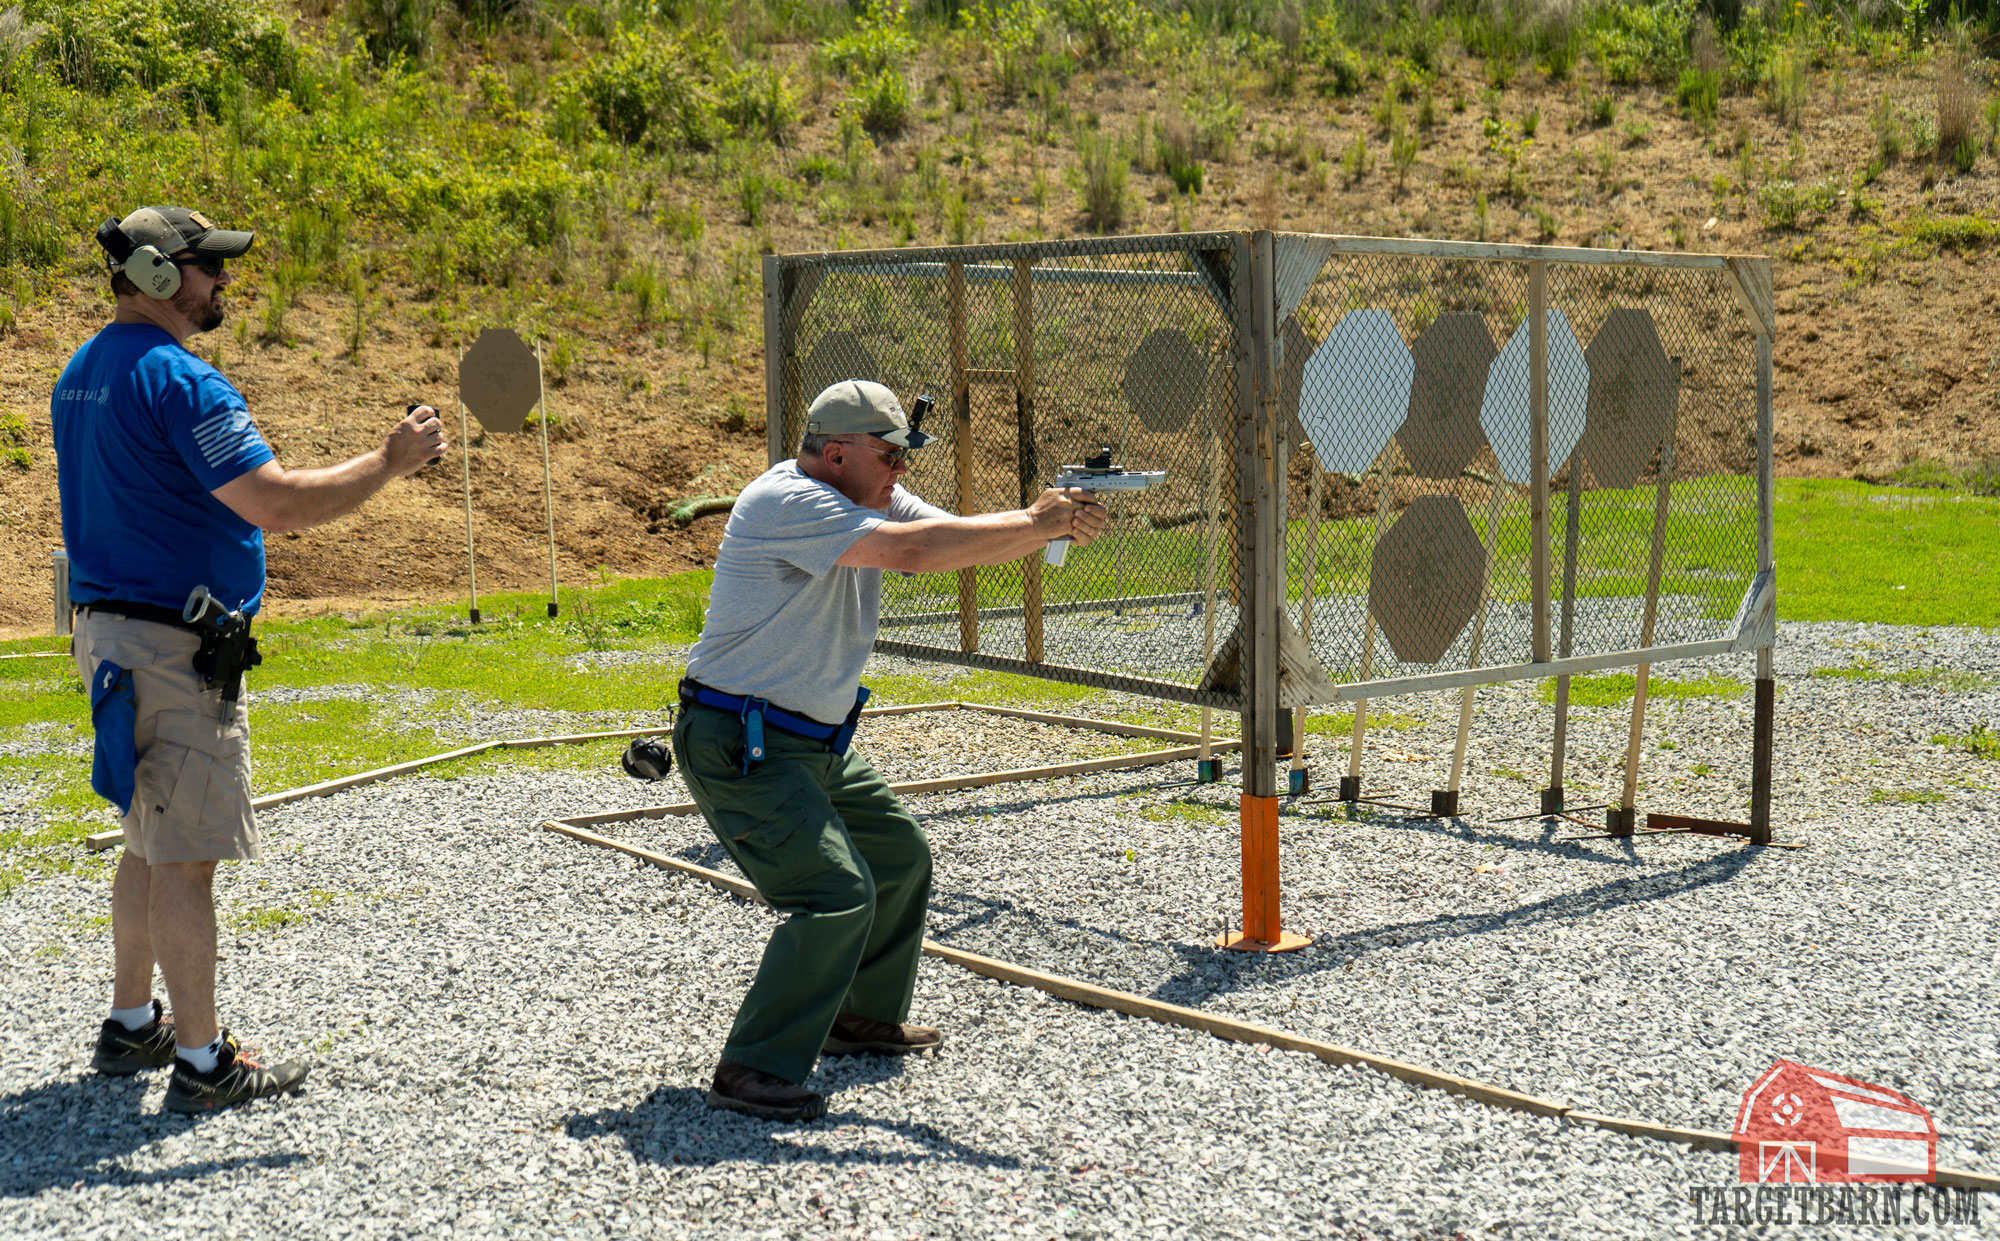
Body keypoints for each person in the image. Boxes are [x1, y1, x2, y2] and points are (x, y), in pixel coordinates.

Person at [53, 205, 446, 1113]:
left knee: (148, 836)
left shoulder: (82, 370)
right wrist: (388, 461)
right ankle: (202, 1062)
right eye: (206, 267)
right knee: (186, 855)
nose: (223, 281)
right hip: (170, 647)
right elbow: (274, 504)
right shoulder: (183, 382)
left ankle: (131, 1021)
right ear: (155, 275)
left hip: (110, 634)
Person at [673, 378, 1107, 1122]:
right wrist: (1040, 520)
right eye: (890, 455)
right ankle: (751, 1065)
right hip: (740, 740)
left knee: (899, 856)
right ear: (835, 452)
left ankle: (854, 1017)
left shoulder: (861, 494)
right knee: (834, 894)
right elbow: (917, 553)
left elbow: (960, 535)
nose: (902, 471)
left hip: (807, 742)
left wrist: (1049, 524)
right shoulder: (787, 501)